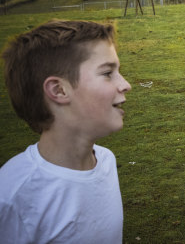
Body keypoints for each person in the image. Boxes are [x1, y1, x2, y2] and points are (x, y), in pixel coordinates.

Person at [0, 19, 132, 244]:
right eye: (108, 73)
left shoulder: (106, 162)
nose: (125, 84)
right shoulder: (12, 196)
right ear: (59, 90)